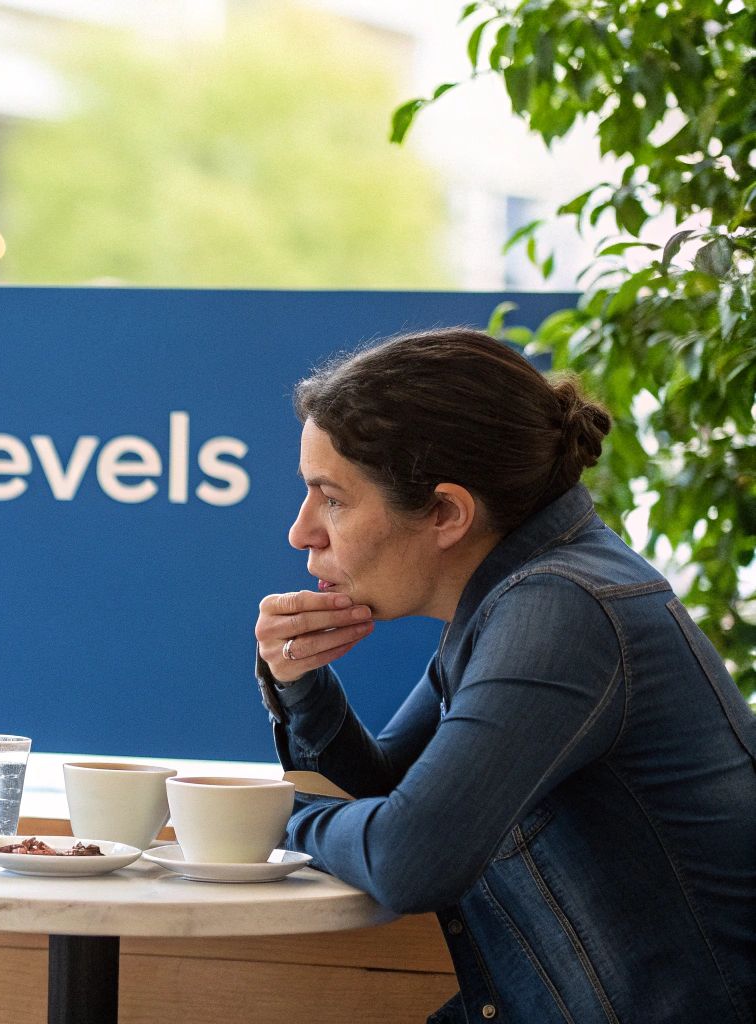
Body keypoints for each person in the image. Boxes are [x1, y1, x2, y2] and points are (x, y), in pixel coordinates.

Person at [252, 327, 755, 1024]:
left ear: (447, 513)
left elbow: (408, 856)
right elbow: (389, 797)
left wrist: (286, 821)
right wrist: (302, 684)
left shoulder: (561, 610)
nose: (302, 532)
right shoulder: (521, 594)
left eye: (331, 498)